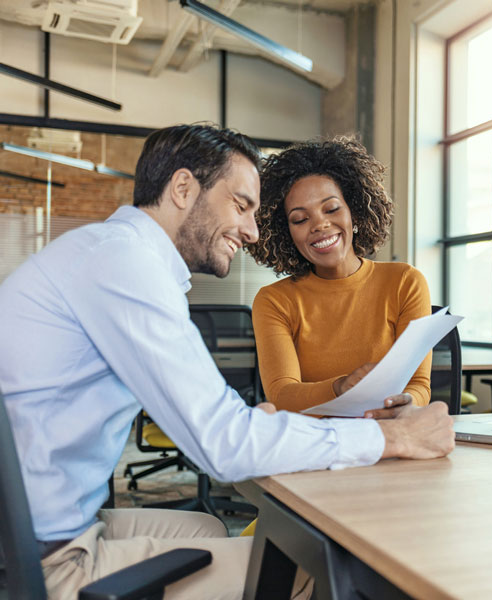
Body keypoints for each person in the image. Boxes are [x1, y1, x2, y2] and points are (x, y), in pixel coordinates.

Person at [0, 124, 455, 600]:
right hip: (43, 560)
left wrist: (245, 426)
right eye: (241, 205)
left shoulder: (112, 254)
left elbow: (217, 427)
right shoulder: (124, 267)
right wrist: (392, 436)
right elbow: (221, 446)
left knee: (211, 531)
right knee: (305, 563)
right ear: (182, 189)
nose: (253, 230)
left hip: (44, 525)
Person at [248, 137, 431, 416]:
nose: (319, 225)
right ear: (287, 233)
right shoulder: (274, 300)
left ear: (354, 213)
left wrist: (405, 404)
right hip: (314, 441)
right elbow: (282, 394)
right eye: (300, 219)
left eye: (331, 209)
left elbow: (419, 385)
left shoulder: (405, 282)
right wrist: (341, 387)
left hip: (388, 433)